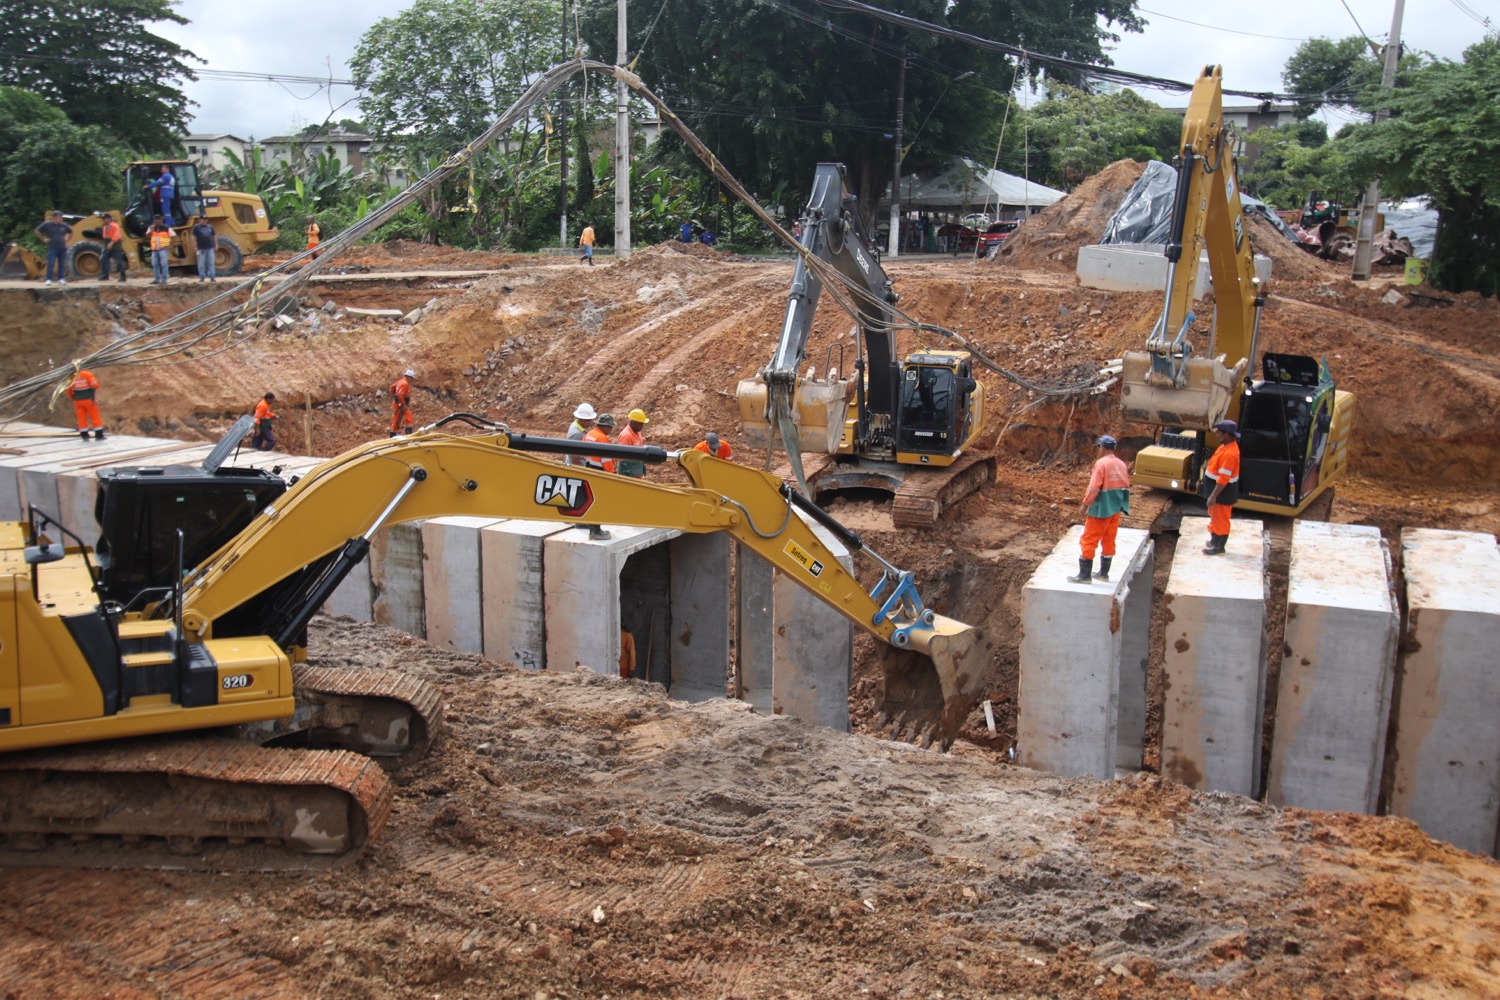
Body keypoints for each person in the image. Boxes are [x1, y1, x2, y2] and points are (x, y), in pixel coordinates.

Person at [1068, 434, 1131, 583]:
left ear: (1101, 448)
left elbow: (1094, 487)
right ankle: (1104, 574)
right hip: (1115, 508)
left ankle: (1084, 576)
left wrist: (1085, 504)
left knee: (1089, 539)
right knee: (1109, 539)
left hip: (1101, 508)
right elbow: (1125, 486)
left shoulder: (1101, 464)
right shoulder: (1121, 464)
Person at [1200, 419, 1242, 555]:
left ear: (1228, 435)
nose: (1217, 435)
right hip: (1217, 491)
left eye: (1220, 433)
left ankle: (1219, 547)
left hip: (1222, 493)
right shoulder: (1225, 447)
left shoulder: (1230, 454)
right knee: (1214, 516)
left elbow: (1224, 478)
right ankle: (1214, 541)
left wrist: (1213, 496)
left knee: (1221, 519)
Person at [65, 367, 104, 440]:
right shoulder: (87, 374)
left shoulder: (71, 376)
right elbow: (95, 385)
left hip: (77, 401)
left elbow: (67, 389)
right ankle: (99, 435)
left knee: (81, 418)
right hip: (88, 399)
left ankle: (84, 435)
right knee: (95, 417)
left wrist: (72, 397)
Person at [34, 211, 70, 286]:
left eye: (61, 218)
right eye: (59, 218)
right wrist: (43, 239)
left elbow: (71, 231)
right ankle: (48, 279)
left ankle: (61, 279)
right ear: (54, 218)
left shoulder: (63, 225)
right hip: (53, 247)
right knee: (51, 263)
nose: (61, 219)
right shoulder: (47, 224)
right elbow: (37, 231)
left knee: (62, 264)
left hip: (63, 247)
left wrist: (67, 239)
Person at [616, 408, 649, 478]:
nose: (642, 426)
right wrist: (625, 470)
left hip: (636, 471)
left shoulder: (637, 432)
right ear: (634, 423)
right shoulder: (626, 435)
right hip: (629, 473)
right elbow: (622, 456)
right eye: (641, 424)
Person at [99, 214, 127, 283]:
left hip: (115, 247)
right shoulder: (105, 227)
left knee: (119, 262)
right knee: (103, 259)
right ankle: (105, 275)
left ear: (109, 219)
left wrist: (111, 243)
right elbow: (105, 237)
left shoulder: (115, 226)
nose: (104, 220)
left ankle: (123, 276)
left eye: (105, 219)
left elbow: (116, 235)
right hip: (106, 247)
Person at [389, 369, 416, 437]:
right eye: (412, 378)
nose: (411, 380)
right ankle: (393, 435)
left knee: (408, 417)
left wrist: (396, 397)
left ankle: (406, 432)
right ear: (409, 377)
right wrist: (402, 404)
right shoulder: (404, 384)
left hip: (400, 403)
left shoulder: (400, 381)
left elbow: (392, 388)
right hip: (401, 405)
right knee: (398, 419)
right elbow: (399, 395)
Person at [191, 214, 217, 282]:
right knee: (201, 263)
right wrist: (195, 246)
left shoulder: (210, 227)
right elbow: (193, 237)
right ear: (199, 220)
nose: (204, 221)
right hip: (201, 248)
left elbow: (214, 235)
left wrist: (216, 244)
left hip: (210, 248)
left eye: (205, 219)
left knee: (211, 263)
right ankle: (202, 277)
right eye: (203, 219)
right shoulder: (196, 227)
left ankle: (212, 276)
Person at [148, 215, 172, 284]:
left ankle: (164, 280)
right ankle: (156, 279)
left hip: (163, 249)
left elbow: (174, 236)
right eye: (156, 219)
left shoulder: (166, 228)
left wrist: (170, 245)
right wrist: (151, 231)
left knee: (164, 264)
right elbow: (147, 236)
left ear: (162, 220)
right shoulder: (151, 228)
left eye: (159, 219)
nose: (157, 221)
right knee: (155, 264)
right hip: (154, 249)